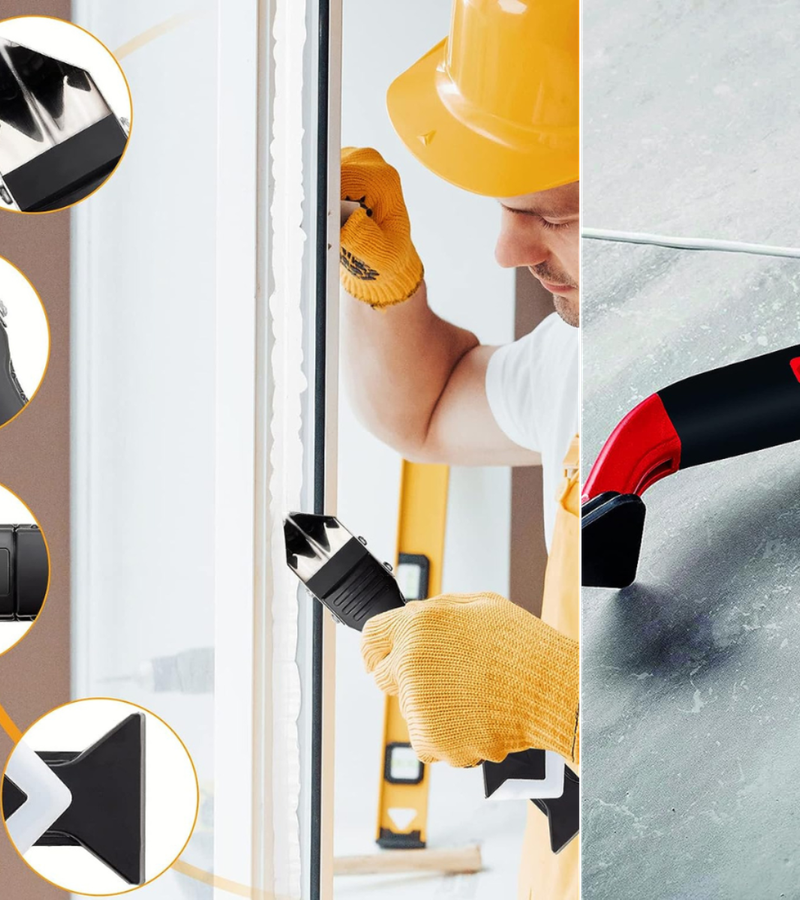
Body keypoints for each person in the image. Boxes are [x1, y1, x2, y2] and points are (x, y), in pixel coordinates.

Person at [339, 2, 581, 896]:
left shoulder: (777, 391)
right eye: (510, 207)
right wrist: (385, 282)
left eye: (556, 213)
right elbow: (429, 409)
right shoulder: (576, 358)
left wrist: (560, 698)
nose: (509, 249)